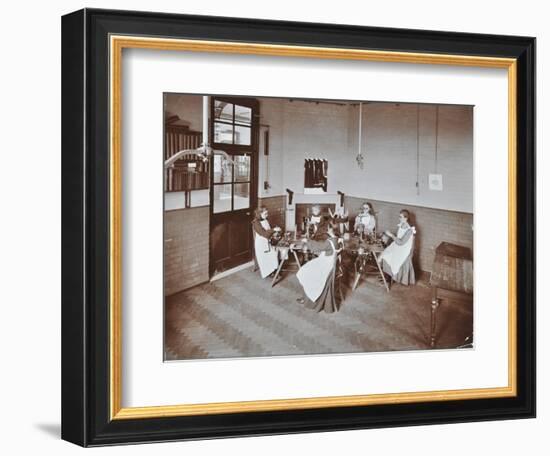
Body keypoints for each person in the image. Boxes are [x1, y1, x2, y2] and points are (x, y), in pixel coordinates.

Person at [295, 222, 343, 313]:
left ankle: (308, 299)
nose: (327, 229)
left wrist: (307, 241)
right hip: (331, 265)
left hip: (326, 266)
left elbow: (318, 247)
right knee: (307, 268)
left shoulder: (330, 242)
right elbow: (322, 246)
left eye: (328, 228)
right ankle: (306, 297)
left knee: (304, 271)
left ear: (331, 230)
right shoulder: (337, 240)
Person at [379, 209, 416, 285]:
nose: (399, 218)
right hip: (397, 245)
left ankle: (390, 279)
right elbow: (398, 238)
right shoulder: (401, 224)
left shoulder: (409, 230)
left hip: (404, 249)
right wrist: (388, 235)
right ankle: (387, 276)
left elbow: (401, 242)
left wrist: (391, 235)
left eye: (400, 217)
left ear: (406, 218)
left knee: (391, 257)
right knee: (385, 254)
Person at [252, 207, 279, 278]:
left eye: (267, 213)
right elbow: (265, 234)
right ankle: (269, 273)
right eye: (265, 213)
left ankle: (273, 270)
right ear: (259, 214)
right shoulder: (256, 223)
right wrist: (274, 230)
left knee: (273, 254)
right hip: (261, 244)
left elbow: (269, 231)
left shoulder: (265, 220)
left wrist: (275, 233)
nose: (267, 215)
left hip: (267, 242)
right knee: (265, 259)